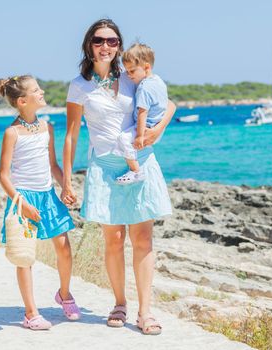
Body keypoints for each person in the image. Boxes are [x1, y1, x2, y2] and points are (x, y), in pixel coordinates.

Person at [61, 19, 175, 335]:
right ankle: (120, 303)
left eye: (113, 41)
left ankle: (145, 312)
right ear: (89, 44)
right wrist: (67, 180)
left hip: (140, 163)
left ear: (119, 45)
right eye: (100, 40)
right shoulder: (78, 85)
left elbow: (170, 104)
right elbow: (71, 135)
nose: (106, 46)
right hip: (103, 167)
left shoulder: (132, 77)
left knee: (143, 239)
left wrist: (157, 129)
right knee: (113, 240)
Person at [0, 75, 80, 330]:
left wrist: (66, 185)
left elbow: (53, 165)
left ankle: (64, 294)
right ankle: (31, 313)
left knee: (64, 248)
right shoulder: (12, 132)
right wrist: (21, 203)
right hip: (24, 199)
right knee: (24, 256)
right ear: (22, 101)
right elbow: (3, 175)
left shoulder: (47, 128)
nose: (42, 91)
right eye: (36, 90)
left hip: (48, 196)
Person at [113, 43, 168, 185]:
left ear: (146, 67)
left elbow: (142, 112)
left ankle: (135, 171)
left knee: (123, 139)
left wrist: (139, 136)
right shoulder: (159, 81)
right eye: (127, 71)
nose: (129, 75)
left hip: (145, 127)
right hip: (157, 127)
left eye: (132, 71)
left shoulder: (144, 87)